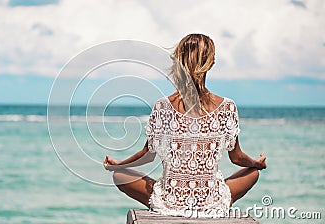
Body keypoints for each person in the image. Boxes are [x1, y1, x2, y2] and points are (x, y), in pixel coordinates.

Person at [103, 34, 267, 218]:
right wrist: (256, 164)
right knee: (252, 173)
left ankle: (172, 203)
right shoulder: (227, 107)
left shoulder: (163, 106)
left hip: (170, 202)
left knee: (119, 176)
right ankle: (210, 203)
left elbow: (147, 156)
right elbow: (237, 158)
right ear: (211, 63)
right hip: (210, 202)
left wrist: (118, 165)